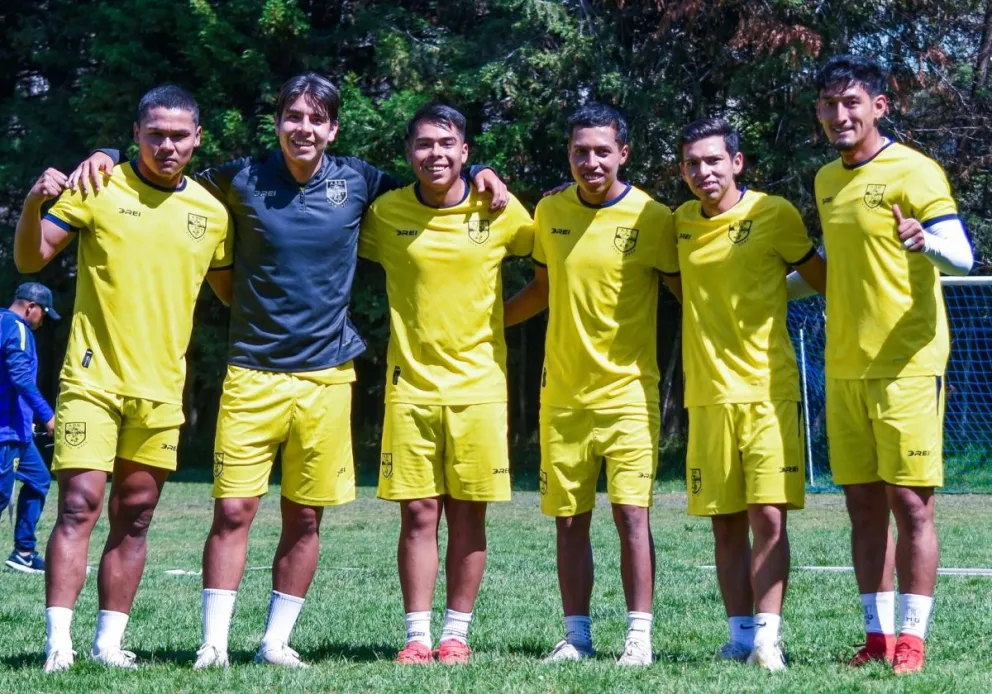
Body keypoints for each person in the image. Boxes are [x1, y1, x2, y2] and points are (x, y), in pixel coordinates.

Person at [70, 73, 508, 669]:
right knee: (232, 511)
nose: (304, 128)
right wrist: (106, 152)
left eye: (316, 118)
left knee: (304, 516)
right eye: (293, 116)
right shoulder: (239, 178)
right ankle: (214, 645)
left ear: (333, 128)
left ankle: (275, 642)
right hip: (251, 371)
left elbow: (434, 185)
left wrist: (481, 172)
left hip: (328, 376)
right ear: (277, 123)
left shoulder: (361, 182)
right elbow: (162, 170)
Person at [15, 86, 233, 673]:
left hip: (161, 390)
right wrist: (33, 203)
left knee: (135, 516)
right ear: (136, 133)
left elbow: (234, 292)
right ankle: (58, 645)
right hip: (92, 382)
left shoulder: (213, 214)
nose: (167, 145)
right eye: (155, 133)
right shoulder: (98, 185)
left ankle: (108, 644)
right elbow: (31, 260)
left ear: (197, 139)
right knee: (79, 505)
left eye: (179, 135)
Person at [813, 54, 973, 674]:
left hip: (907, 363)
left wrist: (924, 241)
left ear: (879, 106)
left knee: (911, 504)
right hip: (844, 366)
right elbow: (836, 260)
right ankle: (877, 638)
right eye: (829, 105)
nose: (840, 114)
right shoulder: (826, 180)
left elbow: (962, 254)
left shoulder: (916, 170)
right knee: (861, 506)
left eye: (851, 102)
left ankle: (912, 640)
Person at [358, 104, 534, 665]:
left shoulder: (499, 208)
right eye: (424, 144)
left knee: (468, 513)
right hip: (410, 388)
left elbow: (553, 266)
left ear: (464, 151)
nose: (435, 153)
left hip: (480, 389)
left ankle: (455, 634)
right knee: (417, 514)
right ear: (409, 153)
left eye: (446, 143)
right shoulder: (385, 212)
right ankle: (416, 636)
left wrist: (499, 321)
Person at [504, 103, 675, 666]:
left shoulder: (653, 217)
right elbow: (542, 288)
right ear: (569, 155)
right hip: (562, 396)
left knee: (632, 516)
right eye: (581, 151)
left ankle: (639, 637)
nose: (591, 161)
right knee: (569, 519)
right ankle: (576, 636)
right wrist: (485, 324)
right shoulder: (549, 210)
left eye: (603, 151)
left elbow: (688, 293)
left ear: (623, 153)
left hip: (629, 394)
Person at [663, 118, 827, 671]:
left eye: (713, 160)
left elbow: (822, 278)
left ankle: (767, 639)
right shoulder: (679, 223)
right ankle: (738, 637)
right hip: (707, 395)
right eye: (692, 163)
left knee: (769, 518)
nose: (703, 171)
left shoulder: (774, 213)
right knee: (725, 521)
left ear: (737, 162)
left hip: (767, 390)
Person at [0, 282, 58, 574]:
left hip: (19, 430)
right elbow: (21, 377)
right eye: (43, 313)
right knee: (1, 495)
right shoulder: (18, 328)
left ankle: (23, 552)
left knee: (38, 479)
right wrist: (48, 416)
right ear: (30, 307)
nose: (42, 320)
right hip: (6, 431)